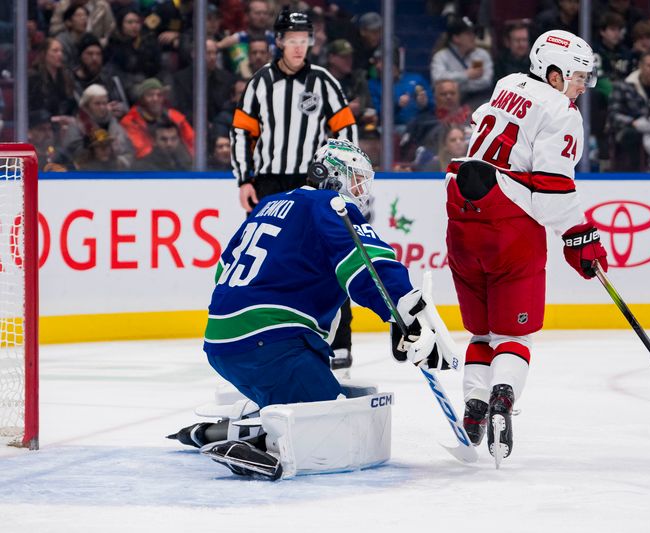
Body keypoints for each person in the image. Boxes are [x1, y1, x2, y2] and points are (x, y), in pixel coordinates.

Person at [170, 139, 453, 479]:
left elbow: (224, 270)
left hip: (224, 342)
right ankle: (263, 445)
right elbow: (368, 263)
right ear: (333, 175)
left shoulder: (270, 204)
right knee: (331, 428)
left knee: (307, 406)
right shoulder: (329, 203)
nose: (362, 191)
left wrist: (394, 314)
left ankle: (214, 433)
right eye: (357, 180)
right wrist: (409, 314)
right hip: (272, 343)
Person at [444, 30, 608, 463]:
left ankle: (475, 405)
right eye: (575, 76)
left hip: (461, 221)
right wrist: (581, 237)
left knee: (480, 333)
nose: (579, 87)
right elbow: (553, 189)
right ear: (552, 72)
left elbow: (482, 125)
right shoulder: (561, 110)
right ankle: (502, 397)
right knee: (514, 335)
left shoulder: (505, 85)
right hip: (509, 227)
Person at [230, 7, 358, 374]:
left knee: (328, 256)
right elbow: (241, 132)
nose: (299, 48)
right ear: (280, 41)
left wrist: (339, 177)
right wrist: (244, 179)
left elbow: (345, 130)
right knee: (268, 260)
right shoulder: (259, 83)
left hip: (311, 181)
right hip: (269, 182)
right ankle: (266, 336)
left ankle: (339, 341)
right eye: (293, 41)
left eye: (305, 41)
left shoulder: (324, 82)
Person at [120, 77, 195, 160]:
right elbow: (142, 151)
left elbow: (192, 142)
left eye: (159, 95)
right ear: (141, 99)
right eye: (150, 95)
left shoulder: (175, 116)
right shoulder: (130, 121)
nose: (155, 99)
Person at [430, 15, 494, 109]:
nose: (473, 37)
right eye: (468, 34)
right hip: (449, 103)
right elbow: (438, 78)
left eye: (473, 33)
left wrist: (455, 86)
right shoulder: (441, 56)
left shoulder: (482, 55)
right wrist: (466, 75)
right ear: (456, 38)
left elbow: (486, 81)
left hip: (477, 100)